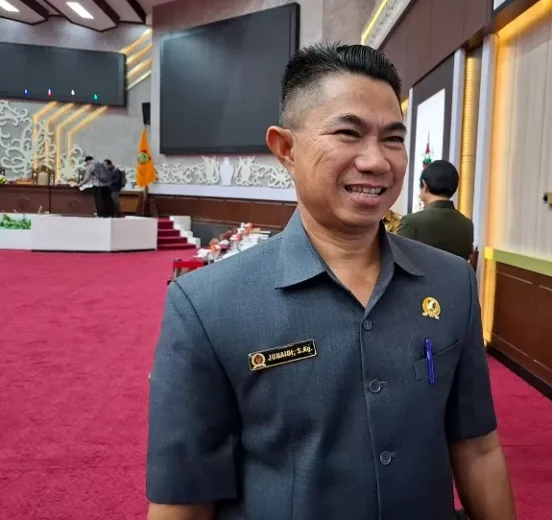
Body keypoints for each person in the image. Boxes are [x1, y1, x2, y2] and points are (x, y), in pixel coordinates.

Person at [146, 43, 516, 520]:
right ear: (286, 149)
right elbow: (185, 497)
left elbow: (477, 447)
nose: (376, 161)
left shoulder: (451, 282)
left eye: (393, 139)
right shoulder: (207, 304)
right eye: (348, 133)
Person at [397, 160, 474, 261]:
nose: (419, 195)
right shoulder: (467, 225)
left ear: (425, 186)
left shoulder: (411, 222)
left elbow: (398, 261)